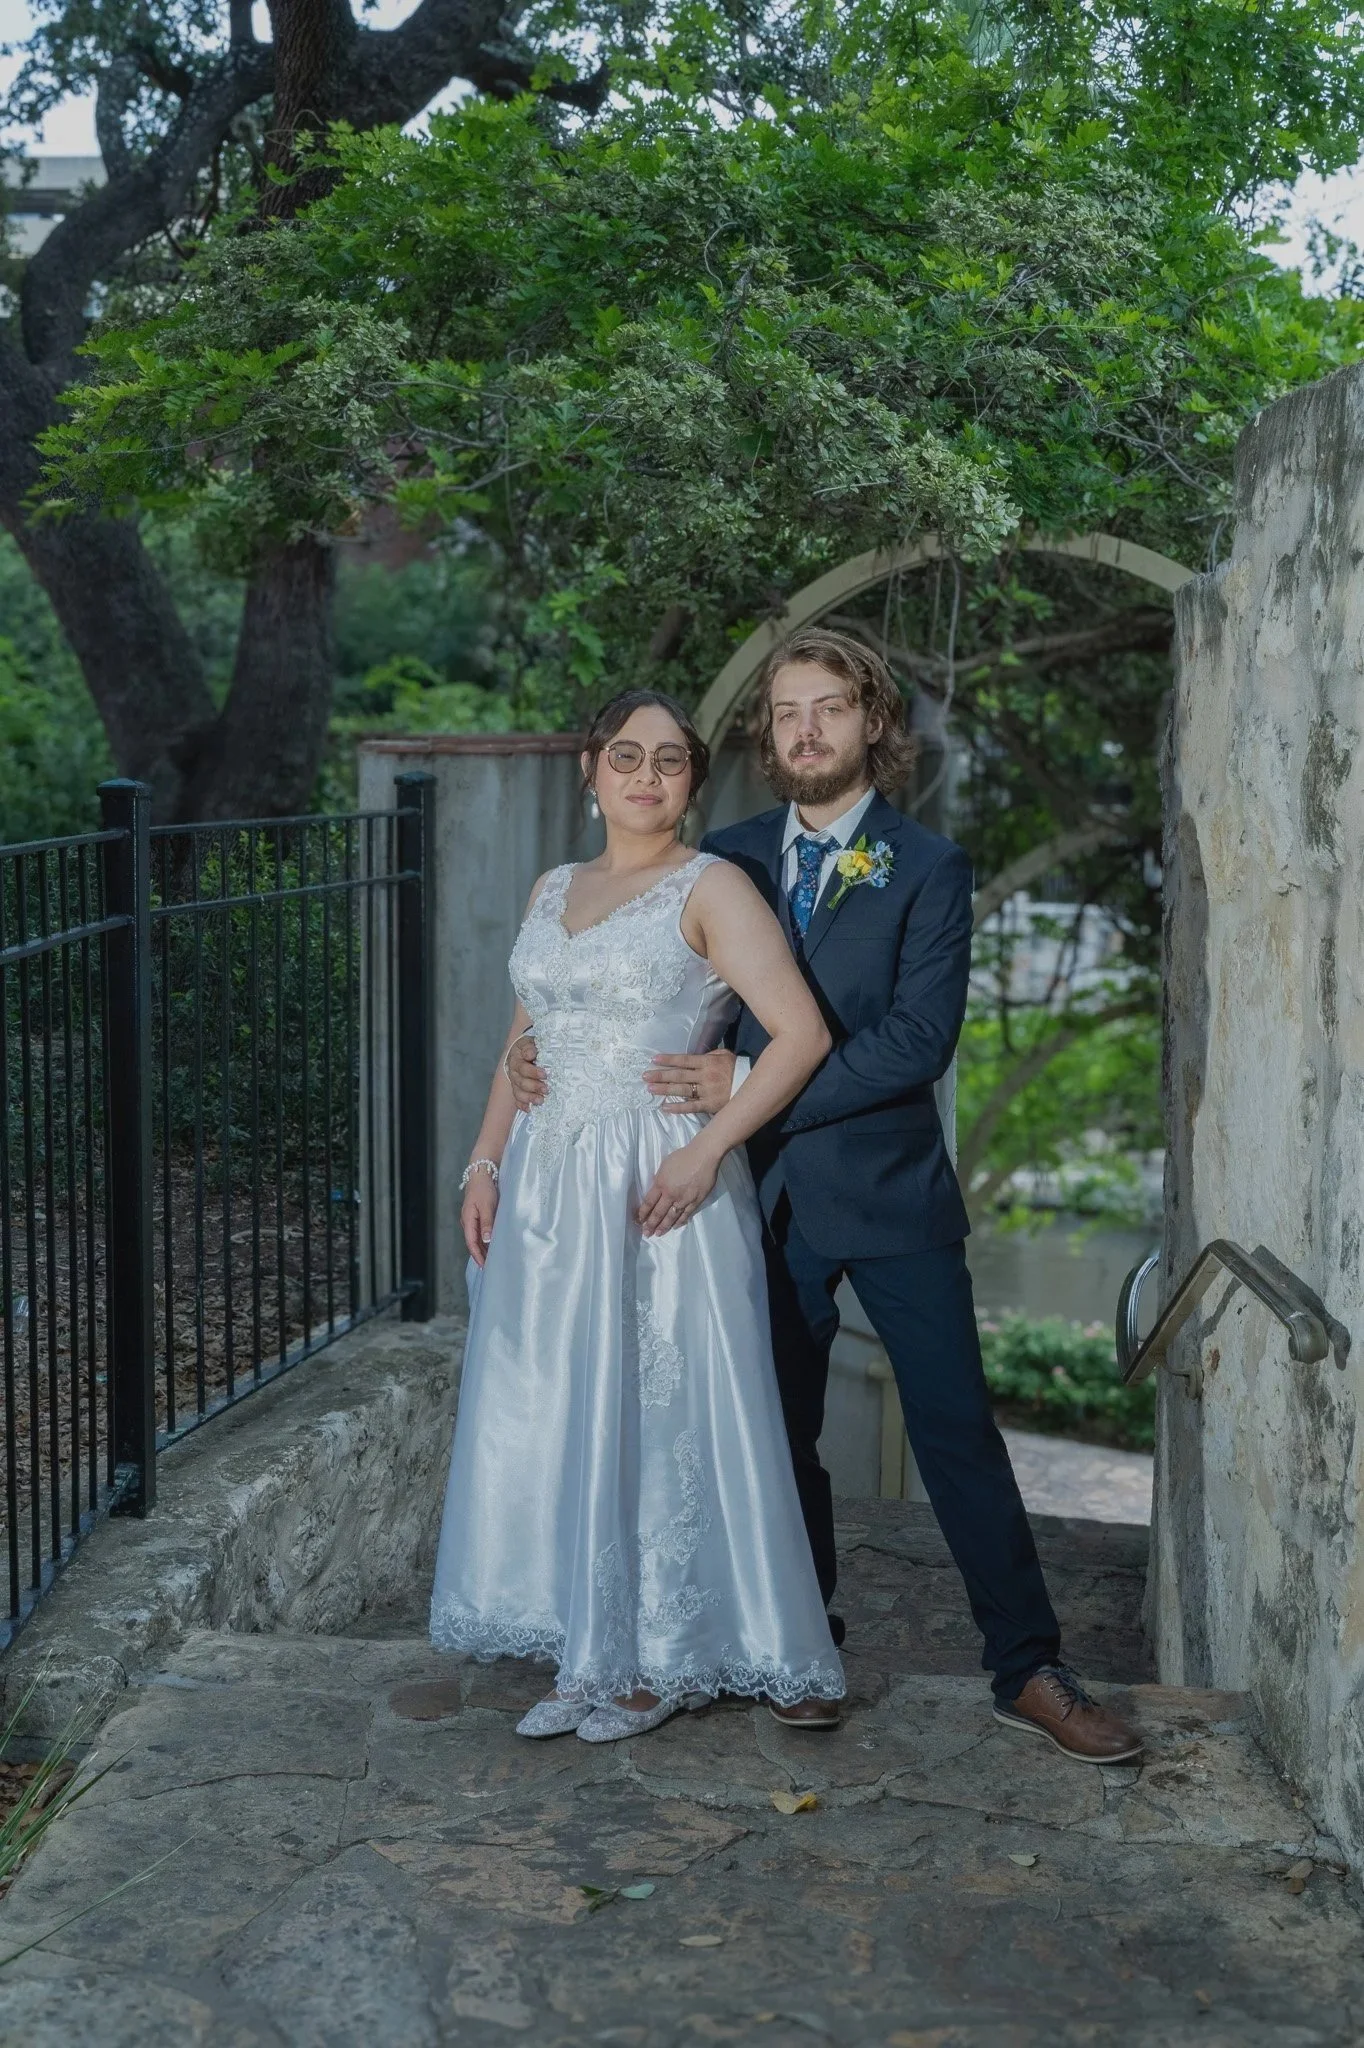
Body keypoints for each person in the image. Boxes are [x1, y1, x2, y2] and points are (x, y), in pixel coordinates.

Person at [509, 629, 1142, 1765]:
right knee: (772, 1433)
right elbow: (649, 996)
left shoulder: (928, 866)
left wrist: (746, 1081)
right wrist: (539, 1061)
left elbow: (915, 1042)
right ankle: (803, 1649)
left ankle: (1029, 1667)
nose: (805, 730)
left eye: (830, 708)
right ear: (767, 733)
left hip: (891, 1195)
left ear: (872, 723)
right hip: (749, 1198)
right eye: (787, 710)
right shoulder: (724, 857)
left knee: (956, 1432)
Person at [429, 688, 846, 1742]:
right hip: (546, 1188)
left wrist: (707, 1150)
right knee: (561, 1406)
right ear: (589, 768)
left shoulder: (713, 886)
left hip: (657, 1184)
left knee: (662, 1415)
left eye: (668, 759)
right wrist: (482, 1163)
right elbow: (520, 1043)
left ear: (693, 781)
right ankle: (589, 1644)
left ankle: (662, 1660)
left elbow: (799, 1036)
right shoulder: (552, 885)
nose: (646, 775)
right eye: (626, 754)